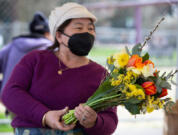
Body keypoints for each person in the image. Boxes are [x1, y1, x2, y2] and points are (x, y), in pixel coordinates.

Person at [1, 3, 118, 135]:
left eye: (91, 29)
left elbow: (110, 121)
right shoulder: (35, 60)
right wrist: (45, 116)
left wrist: (95, 121)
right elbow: (10, 93)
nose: (87, 33)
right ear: (59, 36)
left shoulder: (101, 74)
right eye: (79, 28)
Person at [0, 11, 53, 96]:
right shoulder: (52, 49)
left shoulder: (13, 45)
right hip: (38, 105)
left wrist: (2, 87)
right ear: (47, 33)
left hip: (11, 101)